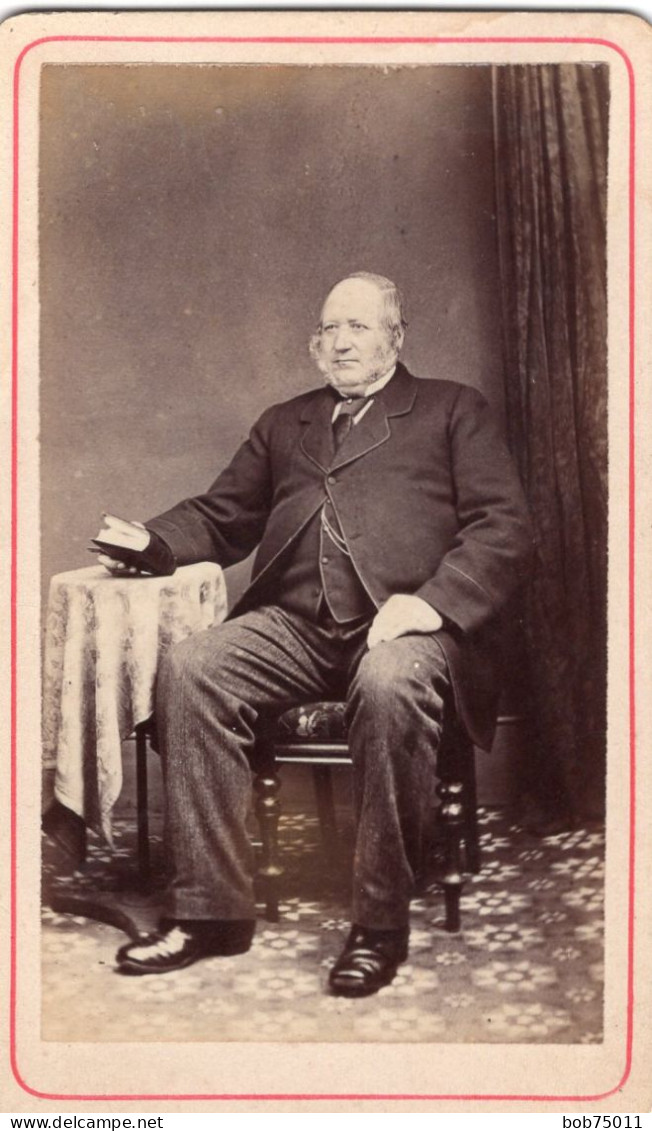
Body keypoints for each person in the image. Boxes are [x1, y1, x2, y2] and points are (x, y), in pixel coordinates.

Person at [99, 272, 533, 997]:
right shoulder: (285, 422)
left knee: (390, 681)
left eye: (358, 327)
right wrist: (150, 539)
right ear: (314, 345)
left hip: (408, 627)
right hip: (299, 627)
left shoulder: (454, 409)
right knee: (193, 666)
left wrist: (430, 605)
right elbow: (221, 516)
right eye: (329, 329)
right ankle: (212, 912)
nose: (340, 341)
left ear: (396, 337)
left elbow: (506, 530)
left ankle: (379, 924)